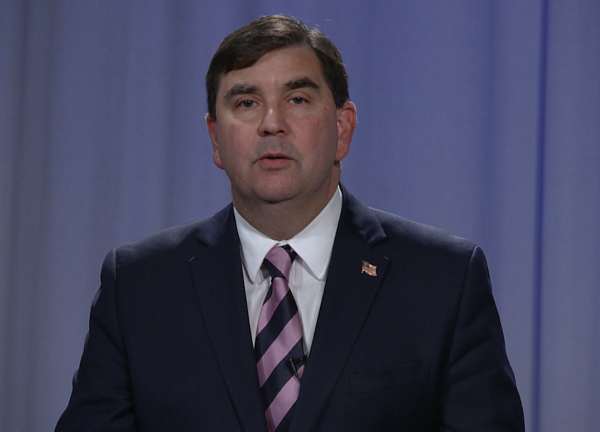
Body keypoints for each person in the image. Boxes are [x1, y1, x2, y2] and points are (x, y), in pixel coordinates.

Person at [56, 14, 525, 432]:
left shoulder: (443, 281)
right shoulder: (138, 287)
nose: (272, 123)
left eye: (297, 98)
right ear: (215, 139)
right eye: (246, 103)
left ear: (343, 128)